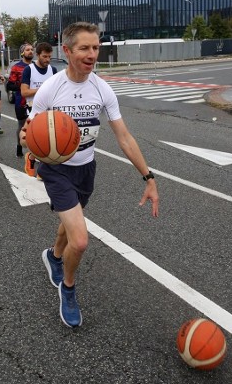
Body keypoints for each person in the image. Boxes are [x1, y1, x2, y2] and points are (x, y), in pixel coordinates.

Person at [21, 22, 160, 328]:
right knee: (81, 240)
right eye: (84, 48)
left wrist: (148, 177)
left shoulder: (102, 88)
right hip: (56, 170)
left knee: (70, 226)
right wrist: (28, 143)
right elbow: (29, 131)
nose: (92, 54)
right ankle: (68, 289)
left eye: (96, 47)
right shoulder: (51, 89)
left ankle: (54, 257)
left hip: (86, 168)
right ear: (67, 51)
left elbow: (124, 136)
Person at [21, 42, 58, 177]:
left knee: (50, 140)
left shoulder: (52, 70)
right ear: (37, 55)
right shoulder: (29, 70)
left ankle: (41, 166)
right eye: (44, 56)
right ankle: (31, 157)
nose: (47, 60)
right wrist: (42, 90)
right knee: (38, 139)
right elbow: (24, 92)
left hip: (49, 110)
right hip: (33, 109)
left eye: (49, 57)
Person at [6, 43, 35, 157]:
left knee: (37, 126)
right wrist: (24, 86)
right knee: (22, 125)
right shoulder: (16, 67)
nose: (30, 51)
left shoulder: (36, 67)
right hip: (21, 101)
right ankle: (19, 147)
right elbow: (10, 86)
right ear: (22, 53)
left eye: (32, 49)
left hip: (36, 101)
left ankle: (36, 150)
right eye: (27, 50)